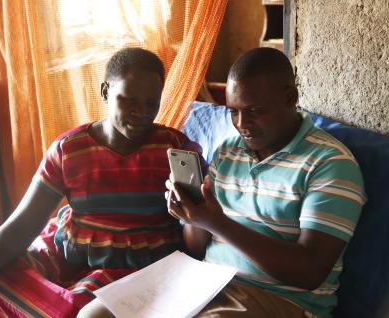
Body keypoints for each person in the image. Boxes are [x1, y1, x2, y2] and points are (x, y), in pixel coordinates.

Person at [78, 47, 366, 318]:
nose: (242, 124)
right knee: (92, 314)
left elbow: (310, 272)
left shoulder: (330, 163)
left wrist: (218, 223)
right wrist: (193, 215)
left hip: (280, 299)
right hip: (205, 282)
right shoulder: (229, 151)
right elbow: (196, 248)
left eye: (254, 111)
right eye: (233, 111)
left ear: (290, 97)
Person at [0, 47, 203, 318]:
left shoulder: (174, 149)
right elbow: (23, 224)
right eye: (129, 100)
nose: (142, 112)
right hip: (72, 257)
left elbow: (198, 227)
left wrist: (191, 201)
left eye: (151, 102)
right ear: (105, 92)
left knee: (83, 312)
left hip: (144, 269)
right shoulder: (69, 150)